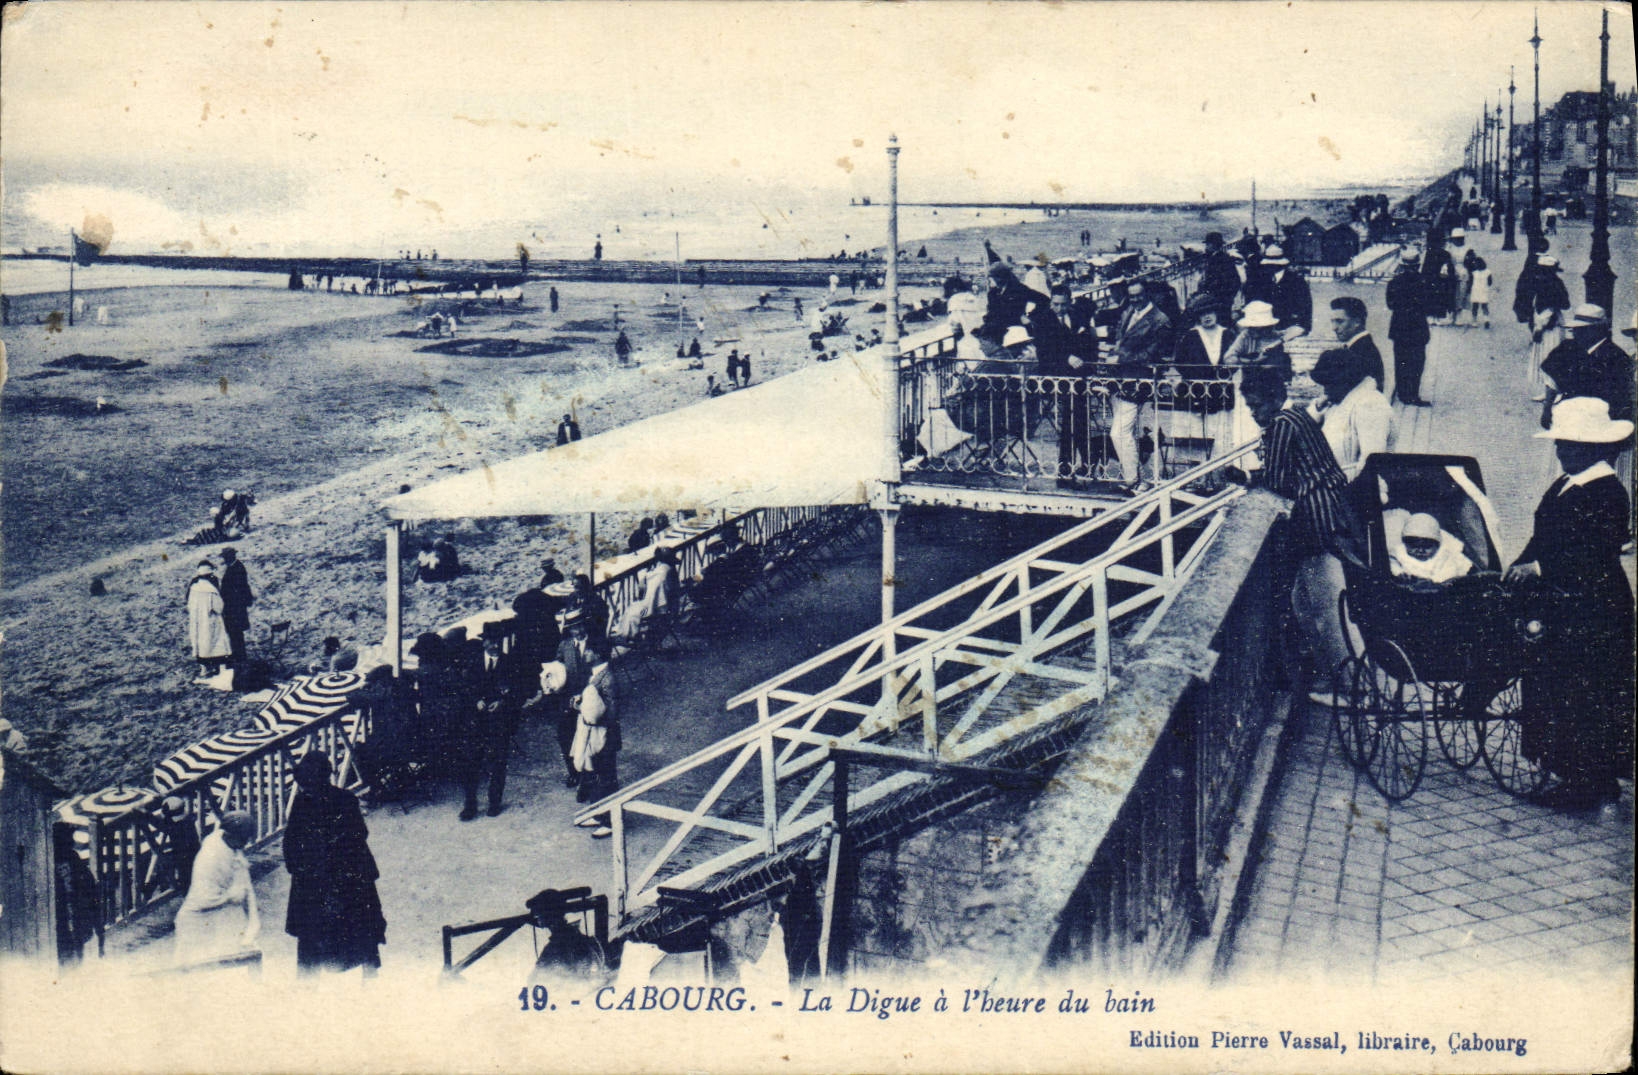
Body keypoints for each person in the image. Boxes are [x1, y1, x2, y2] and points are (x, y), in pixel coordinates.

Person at [1506, 397, 1634, 811]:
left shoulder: (1608, 493)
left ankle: (1585, 784)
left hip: (1595, 608)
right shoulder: (1568, 482)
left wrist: (1539, 567)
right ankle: (1591, 777)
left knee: (1586, 693)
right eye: (1559, 443)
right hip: (1565, 603)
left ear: (1594, 447)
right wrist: (1520, 564)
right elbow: (1542, 535)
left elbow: (1596, 552)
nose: (1560, 451)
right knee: (1565, 688)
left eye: (1569, 444)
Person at [1235, 366, 1361, 702]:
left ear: (1276, 398)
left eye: (1257, 405)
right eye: (1250, 407)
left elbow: (1278, 482)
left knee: (1324, 607)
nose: (1254, 413)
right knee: (1306, 602)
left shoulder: (1281, 425)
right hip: (1333, 512)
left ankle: (1349, 687)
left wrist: (1248, 480)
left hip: (1315, 521)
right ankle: (1339, 678)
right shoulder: (1298, 417)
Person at [283, 753, 387, 976]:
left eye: (309, 784)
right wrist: (299, 866)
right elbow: (290, 841)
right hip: (313, 877)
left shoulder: (344, 800)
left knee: (361, 928)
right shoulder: (302, 802)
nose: (306, 789)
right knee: (311, 938)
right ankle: (307, 983)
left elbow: (358, 834)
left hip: (347, 876)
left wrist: (330, 854)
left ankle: (370, 977)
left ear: (323, 780)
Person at [459, 622, 537, 820]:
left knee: (498, 763)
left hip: (500, 722)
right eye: (490, 641)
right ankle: (470, 805)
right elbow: (464, 689)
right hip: (476, 722)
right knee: (471, 763)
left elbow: (520, 692)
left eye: (497, 642)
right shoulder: (473, 663)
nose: (494, 645)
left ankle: (494, 803)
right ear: (484, 642)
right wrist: (476, 701)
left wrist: (502, 702)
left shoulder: (511, 663)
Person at [1107, 278, 1174, 492]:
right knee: (1127, 432)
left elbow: (1152, 354)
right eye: (1131, 296)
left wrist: (1120, 358)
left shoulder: (1160, 320)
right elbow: (1121, 340)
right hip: (1121, 380)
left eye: (1139, 295)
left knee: (1119, 432)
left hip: (1139, 381)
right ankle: (1135, 476)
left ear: (1148, 294)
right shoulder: (1129, 312)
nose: (1135, 299)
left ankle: (1134, 480)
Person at [1029, 287, 1099, 485]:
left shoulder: (1078, 316)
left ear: (1070, 302)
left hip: (1078, 377)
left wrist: (1086, 362)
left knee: (1079, 422)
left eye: (1063, 304)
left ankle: (1083, 466)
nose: (1059, 309)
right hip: (1057, 378)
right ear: (1051, 302)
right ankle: (1068, 471)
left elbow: (1089, 343)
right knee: (1071, 424)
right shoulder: (1042, 320)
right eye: (1055, 304)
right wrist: (1067, 357)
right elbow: (1044, 351)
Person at [173, 812, 259, 965]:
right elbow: (204, 897)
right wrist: (231, 896)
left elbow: (244, 883)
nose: (246, 843)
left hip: (219, 916)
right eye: (243, 839)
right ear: (231, 835)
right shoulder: (211, 856)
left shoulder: (230, 845)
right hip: (197, 920)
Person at [1309, 347, 1393, 482]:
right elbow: (1306, 426)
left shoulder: (1370, 404)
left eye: (1329, 384)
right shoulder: (1339, 402)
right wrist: (1317, 408)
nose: (1325, 390)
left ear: (1346, 382)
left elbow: (1371, 460)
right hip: (1334, 481)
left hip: (1352, 486)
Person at [1540, 304, 1634, 424]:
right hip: (1568, 415)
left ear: (1597, 330)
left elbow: (1621, 400)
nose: (1575, 333)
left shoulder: (1617, 357)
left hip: (1598, 421)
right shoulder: (1568, 347)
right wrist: (1547, 408)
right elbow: (1551, 380)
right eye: (1574, 329)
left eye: (1581, 329)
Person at [526, 889, 607, 985]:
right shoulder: (581, 940)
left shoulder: (557, 947)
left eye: (539, 914)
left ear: (549, 915)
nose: (537, 918)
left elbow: (536, 978)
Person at [1385, 249, 1433, 406]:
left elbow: (1390, 304)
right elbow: (1429, 305)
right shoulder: (1424, 282)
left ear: (1402, 265)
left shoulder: (1394, 282)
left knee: (1401, 361)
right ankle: (1413, 395)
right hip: (1418, 327)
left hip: (1399, 328)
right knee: (1417, 362)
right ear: (1418, 265)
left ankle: (1403, 394)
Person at [53, 823, 101, 967]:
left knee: (77, 940)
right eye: (68, 839)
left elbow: (88, 880)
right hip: (61, 910)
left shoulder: (73, 857)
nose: (72, 842)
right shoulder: (51, 860)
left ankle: (77, 965)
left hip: (75, 907)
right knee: (64, 943)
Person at [1526, 255, 1570, 400]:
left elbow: (1560, 305)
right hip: (1542, 323)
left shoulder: (1553, 284)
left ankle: (1556, 391)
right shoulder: (1542, 283)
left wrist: (1541, 327)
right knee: (1544, 357)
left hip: (1551, 327)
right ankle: (1549, 390)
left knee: (1551, 356)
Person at [1387, 512, 1473, 584]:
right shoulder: (1400, 553)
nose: (1420, 550)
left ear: (1437, 545)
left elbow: (1449, 572)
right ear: (1405, 543)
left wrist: (1433, 582)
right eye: (1414, 546)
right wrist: (1399, 573)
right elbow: (1391, 562)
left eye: (1426, 546)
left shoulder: (1442, 557)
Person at [187, 560, 233, 684]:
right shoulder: (211, 590)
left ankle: (204, 669)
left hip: (197, 622)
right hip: (211, 621)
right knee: (217, 643)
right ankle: (222, 668)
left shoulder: (194, 588)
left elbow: (189, 605)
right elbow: (218, 607)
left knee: (201, 644)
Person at [1327, 295, 1384, 393]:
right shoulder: (1362, 346)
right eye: (1332, 321)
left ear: (1357, 322)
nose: (1334, 328)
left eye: (1340, 321)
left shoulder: (1361, 351)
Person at [1257, 246, 1311, 338]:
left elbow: (1305, 309)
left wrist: (1300, 328)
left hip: (1291, 329)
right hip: (1267, 329)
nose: (1268, 267)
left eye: (1271, 264)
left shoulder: (1297, 281)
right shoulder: (1263, 280)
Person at [218, 547, 254, 669]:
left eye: (225, 557)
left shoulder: (237, 568)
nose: (224, 559)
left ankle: (239, 656)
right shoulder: (235, 567)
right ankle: (238, 654)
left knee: (235, 632)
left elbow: (238, 589)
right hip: (235, 607)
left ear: (230, 557)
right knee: (235, 632)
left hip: (235, 607)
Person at [1197, 231, 1242, 310]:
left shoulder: (1221, 259)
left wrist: (1225, 297)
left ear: (1214, 245)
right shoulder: (1216, 257)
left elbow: (1233, 281)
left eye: (1208, 244)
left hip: (1219, 299)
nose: (1206, 247)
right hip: (1219, 299)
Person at [1467, 254, 1491, 329]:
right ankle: (1486, 319)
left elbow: (1470, 282)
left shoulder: (1473, 273)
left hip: (1475, 290)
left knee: (1475, 306)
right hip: (1484, 290)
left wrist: (1468, 290)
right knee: (1484, 306)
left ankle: (1474, 321)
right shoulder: (1488, 272)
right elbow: (1490, 282)